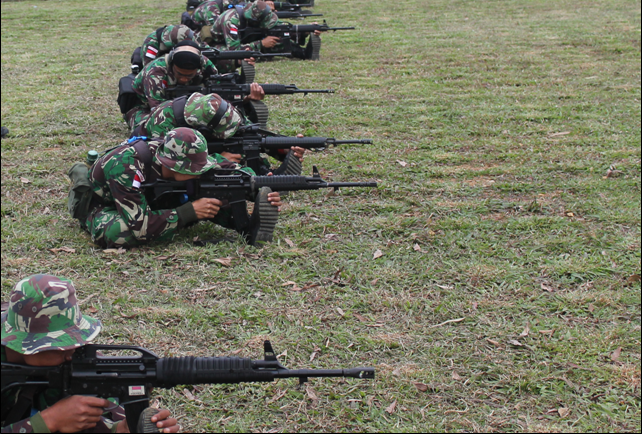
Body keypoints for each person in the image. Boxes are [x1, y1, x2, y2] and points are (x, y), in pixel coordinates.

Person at [1, 274, 180, 433]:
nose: (71, 354)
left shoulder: (72, 363)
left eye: (74, 343)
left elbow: (104, 413)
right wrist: (49, 421)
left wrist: (120, 429)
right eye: (58, 346)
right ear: (24, 343)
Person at [84, 127, 283, 248]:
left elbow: (224, 167)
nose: (199, 172)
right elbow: (140, 227)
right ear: (171, 165)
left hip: (151, 199)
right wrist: (188, 212)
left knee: (215, 187)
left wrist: (258, 186)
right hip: (108, 206)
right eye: (193, 169)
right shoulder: (126, 166)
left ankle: (250, 226)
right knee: (115, 232)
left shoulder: (181, 150)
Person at [136, 92, 305, 175]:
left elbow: (248, 133)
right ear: (205, 129)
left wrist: (283, 148)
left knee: (242, 147)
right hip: (170, 159)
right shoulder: (162, 122)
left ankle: (265, 174)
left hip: (203, 142)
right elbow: (168, 166)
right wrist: (216, 159)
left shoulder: (216, 109)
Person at [203, 1, 320, 73]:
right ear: (255, 20)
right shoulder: (231, 21)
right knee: (227, 58)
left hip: (244, 39)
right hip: (219, 44)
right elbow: (234, 51)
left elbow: (278, 27)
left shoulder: (255, 12)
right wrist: (261, 44)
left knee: (276, 39)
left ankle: (304, 53)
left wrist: (304, 30)